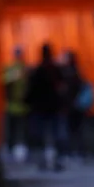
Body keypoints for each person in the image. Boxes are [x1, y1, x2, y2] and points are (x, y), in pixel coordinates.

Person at [25, 43, 66, 171]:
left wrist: (28, 101)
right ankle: (55, 159)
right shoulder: (56, 69)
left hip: (40, 107)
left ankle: (44, 159)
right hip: (54, 106)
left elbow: (32, 89)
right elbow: (62, 87)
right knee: (55, 133)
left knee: (42, 134)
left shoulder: (38, 70)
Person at [62, 50, 94, 159]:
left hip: (71, 105)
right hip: (77, 105)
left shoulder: (68, 73)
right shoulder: (78, 72)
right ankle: (79, 151)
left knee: (71, 129)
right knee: (77, 130)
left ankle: (72, 151)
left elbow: (68, 90)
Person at [1, 46, 29, 154]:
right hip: (13, 104)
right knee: (13, 128)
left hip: (20, 105)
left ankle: (19, 146)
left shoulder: (24, 69)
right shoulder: (12, 69)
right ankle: (11, 146)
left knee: (19, 128)